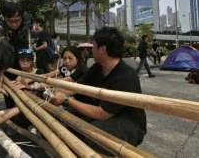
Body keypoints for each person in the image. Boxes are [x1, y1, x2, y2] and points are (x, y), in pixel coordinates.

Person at [50, 27, 147, 155]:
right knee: (70, 128)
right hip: (107, 116)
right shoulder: (98, 67)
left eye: (94, 44)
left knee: (92, 135)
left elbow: (103, 113)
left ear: (102, 49)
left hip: (129, 123)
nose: (91, 48)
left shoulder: (125, 77)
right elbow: (76, 87)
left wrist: (67, 100)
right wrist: (48, 90)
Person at [0, 0, 32, 110]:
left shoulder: (27, 19)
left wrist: (28, 65)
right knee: (8, 85)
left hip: (21, 45)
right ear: (4, 18)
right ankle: (10, 112)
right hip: (6, 50)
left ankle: (24, 114)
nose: (14, 24)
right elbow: (1, 54)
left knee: (24, 83)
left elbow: (27, 43)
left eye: (17, 20)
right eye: (11, 21)